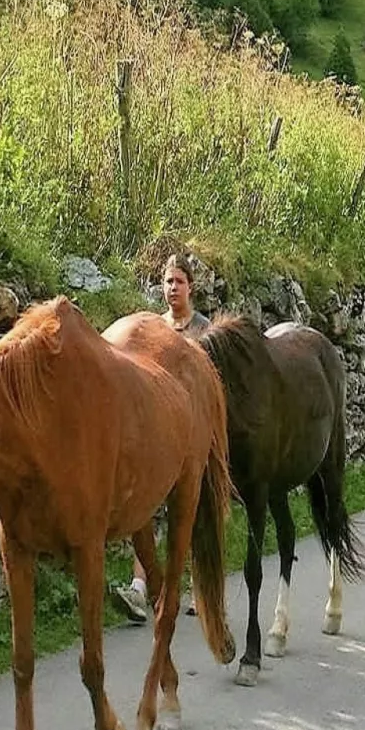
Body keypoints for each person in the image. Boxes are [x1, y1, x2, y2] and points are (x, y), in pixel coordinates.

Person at [111, 254, 212, 625]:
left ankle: (199, 586)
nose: (172, 288)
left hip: (194, 427)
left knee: (194, 509)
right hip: (159, 431)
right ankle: (140, 588)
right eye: (167, 282)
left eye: (178, 282)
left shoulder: (203, 329)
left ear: (191, 287)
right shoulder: (155, 328)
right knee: (146, 506)